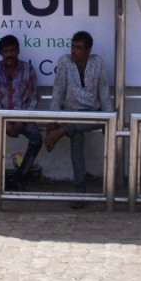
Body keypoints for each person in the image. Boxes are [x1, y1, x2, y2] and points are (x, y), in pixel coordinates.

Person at [45, 31, 112, 207]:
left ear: (88, 50)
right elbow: (58, 91)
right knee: (76, 137)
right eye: (73, 47)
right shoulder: (65, 62)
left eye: (79, 48)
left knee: (82, 126)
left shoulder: (96, 63)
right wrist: (52, 120)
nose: (74, 51)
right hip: (71, 112)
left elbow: (103, 91)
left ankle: (62, 132)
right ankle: (80, 192)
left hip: (93, 113)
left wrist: (109, 119)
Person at [0, 34, 42, 190]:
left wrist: (23, 119)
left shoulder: (28, 70)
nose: (9, 54)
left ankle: (20, 176)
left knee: (37, 139)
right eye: (6, 51)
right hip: (1, 118)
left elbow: (34, 97)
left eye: (12, 50)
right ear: (1, 52)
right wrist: (4, 122)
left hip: (23, 117)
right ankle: (3, 180)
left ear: (18, 51)